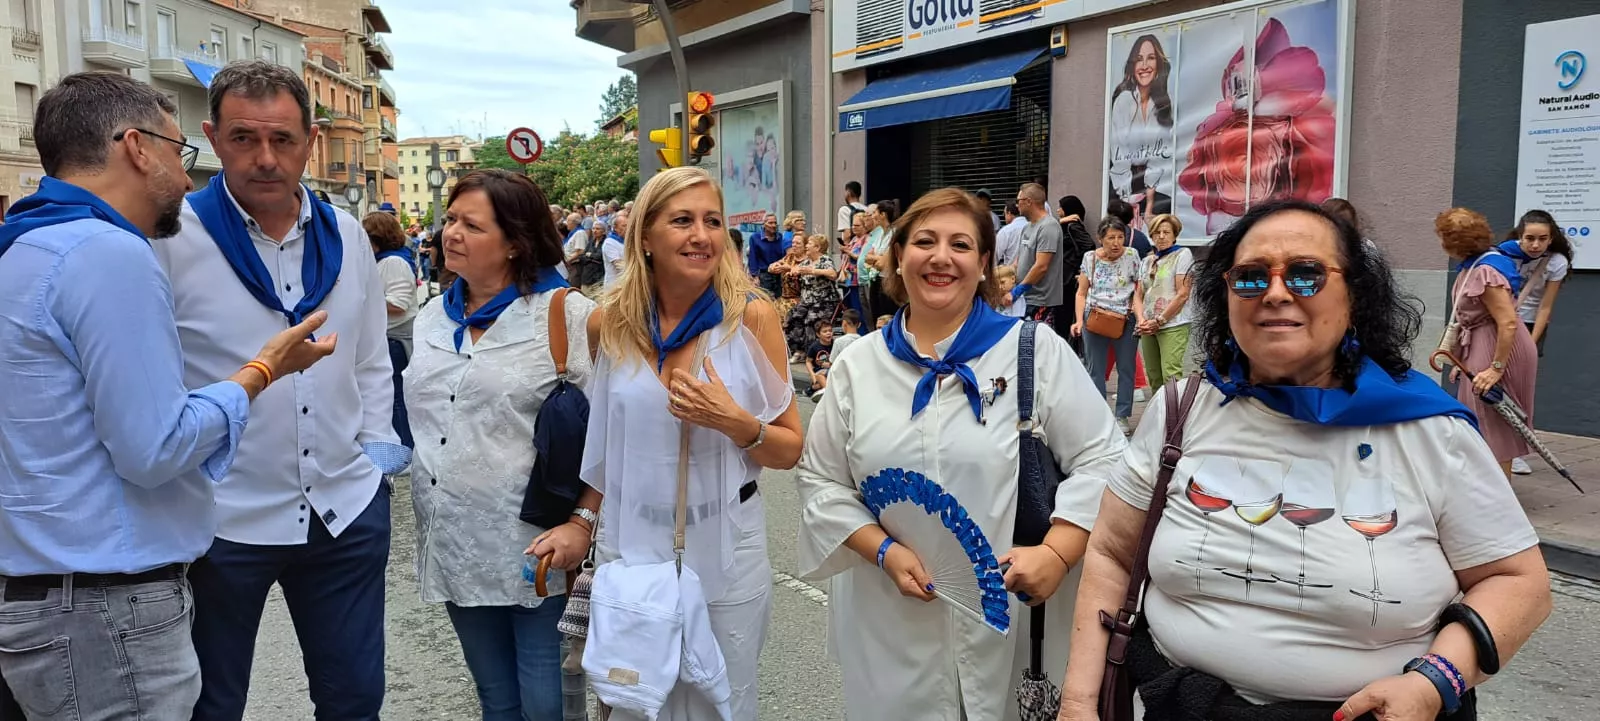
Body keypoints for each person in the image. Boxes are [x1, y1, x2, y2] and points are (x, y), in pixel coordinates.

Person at [1059, 199, 1553, 721]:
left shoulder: (1431, 431)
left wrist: (1434, 683)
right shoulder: (1180, 410)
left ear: (1354, 295)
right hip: (1183, 707)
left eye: (1306, 274)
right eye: (1250, 277)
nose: (1275, 293)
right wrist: (1078, 702)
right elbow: (1112, 555)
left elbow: (1519, 583)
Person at [0, 70, 335, 721]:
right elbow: (155, 448)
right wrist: (262, 371)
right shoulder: (108, 254)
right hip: (106, 608)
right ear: (136, 147)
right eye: (180, 151)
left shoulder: (24, 247)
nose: (186, 178)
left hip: (49, 595)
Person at [796, 187, 1125, 720]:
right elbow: (821, 480)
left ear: (985, 262)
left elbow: (1106, 461)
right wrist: (884, 551)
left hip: (1015, 617)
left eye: (961, 245)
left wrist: (1057, 554)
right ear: (898, 256)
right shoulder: (858, 366)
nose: (941, 257)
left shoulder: (1034, 351)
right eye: (924, 242)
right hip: (889, 620)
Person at [151, 61, 407, 720]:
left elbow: (372, 358)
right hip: (220, 518)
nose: (265, 158)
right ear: (212, 137)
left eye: (283, 139)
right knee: (210, 706)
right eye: (243, 138)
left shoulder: (346, 236)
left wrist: (375, 456)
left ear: (311, 141)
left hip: (342, 511)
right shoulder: (170, 236)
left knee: (354, 702)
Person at [562, 166, 804, 720]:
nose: (701, 235)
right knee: (634, 699)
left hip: (727, 545)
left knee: (722, 703)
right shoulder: (609, 324)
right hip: (631, 544)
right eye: (682, 221)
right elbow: (609, 445)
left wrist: (735, 422)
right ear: (645, 236)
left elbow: (790, 448)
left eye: (712, 221)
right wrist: (581, 522)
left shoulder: (749, 318)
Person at [405, 170, 595, 721]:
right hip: (452, 540)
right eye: (450, 220)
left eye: (472, 225)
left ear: (515, 241)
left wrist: (583, 521)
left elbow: (612, 432)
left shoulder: (566, 315)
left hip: (535, 545)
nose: (451, 233)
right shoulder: (429, 319)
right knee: (495, 699)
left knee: (546, 705)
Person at [1436, 207, 1539, 478]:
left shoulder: (1485, 270)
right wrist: (1462, 359)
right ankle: (1484, 488)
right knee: (1480, 420)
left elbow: (1507, 322)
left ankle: (1499, 494)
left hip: (1499, 347)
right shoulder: (1477, 265)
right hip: (1484, 343)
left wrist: (1496, 368)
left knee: (1495, 425)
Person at [1498, 210, 1572, 475]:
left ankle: (1516, 451)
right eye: (1530, 238)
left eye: (1542, 239)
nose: (1535, 244)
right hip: (1501, 321)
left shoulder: (1556, 262)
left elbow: (1545, 307)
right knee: (1494, 384)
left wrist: (1530, 342)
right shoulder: (1503, 254)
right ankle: (1493, 445)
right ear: (1520, 236)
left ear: (1551, 239)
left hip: (1529, 325)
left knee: (1519, 388)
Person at [1072, 217, 1146, 433]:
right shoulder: (1090, 258)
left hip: (1125, 318)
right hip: (1095, 316)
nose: (1116, 243)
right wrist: (1078, 320)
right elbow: (1081, 293)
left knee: (1126, 368)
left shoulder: (1132, 255)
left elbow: (1137, 291)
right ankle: (1099, 415)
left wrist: (1140, 317)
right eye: (1111, 238)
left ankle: (1122, 416)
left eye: (1120, 237)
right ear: (1100, 239)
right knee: (1095, 368)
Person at [365, 211, 419, 449]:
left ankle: (405, 449)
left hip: (395, 340)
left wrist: (361, 301)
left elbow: (399, 304)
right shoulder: (385, 261)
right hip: (387, 338)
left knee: (396, 400)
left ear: (377, 237)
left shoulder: (393, 262)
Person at [1108, 34, 1175, 225]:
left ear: (1159, 64)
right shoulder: (1124, 100)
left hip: (1153, 186)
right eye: (1139, 59)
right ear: (1132, 66)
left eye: (1151, 58)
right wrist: (1127, 203)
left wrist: (1150, 207)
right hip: (1123, 185)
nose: (1145, 65)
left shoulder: (1162, 104)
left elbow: (1158, 159)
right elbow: (1119, 157)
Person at [1135, 213, 1194, 391]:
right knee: (1153, 375)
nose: (1161, 236)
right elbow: (1138, 294)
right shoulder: (1147, 261)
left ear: (1175, 235)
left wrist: (1160, 320)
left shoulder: (1182, 255)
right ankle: (1157, 408)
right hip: (1148, 325)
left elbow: (1183, 293)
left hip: (1172, 323)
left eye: (1166, 232)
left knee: (1171, 374)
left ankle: (1173, 409)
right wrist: (1141, 320)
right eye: (1157, 232)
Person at [1014, 183, 1065, 329]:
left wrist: (1018, 290)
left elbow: (1041, 266)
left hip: (1041, 301)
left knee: (1036, 339)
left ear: (1029, 201)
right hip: (1024, 299)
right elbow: (1019, 261)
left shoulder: (1048, 226)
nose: (1017, 205)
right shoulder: (1027, 227)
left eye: (1019, 201)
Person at [747, 212, 788, 296]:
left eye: (775, 223)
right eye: (770, 223)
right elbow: (753, 258)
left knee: (779, 300)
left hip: (779, 275)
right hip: (763, 276)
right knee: (765, 299)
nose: (773, 225)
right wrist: (754, 276)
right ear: (764, 224)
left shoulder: (780, 237)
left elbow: (784, 256)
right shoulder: (755, 238)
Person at [805, 319, 835, 401]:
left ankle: (813, 389)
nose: (828, 333)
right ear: (818, 334)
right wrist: (812, 375)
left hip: (832, 369)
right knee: (820, 376)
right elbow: (808, 361)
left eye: (830, 330)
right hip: (820, 371)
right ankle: (827, 393)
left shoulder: (835, 344)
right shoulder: (814, 347)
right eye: (825, 331)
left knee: (818, 385)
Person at [996, 200, 1027, 268]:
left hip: (1011, 272)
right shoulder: (1033, 226)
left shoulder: (1005, 231)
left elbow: (995, 256)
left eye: (1004, 214)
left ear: (1009, 213)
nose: (1004, 217)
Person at [837, 180, 867, 244]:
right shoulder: (867, 209)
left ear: (848, 192)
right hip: (865, 244)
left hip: (853, 246)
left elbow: (847, 233)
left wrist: (846, 247)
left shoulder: (844, 210)